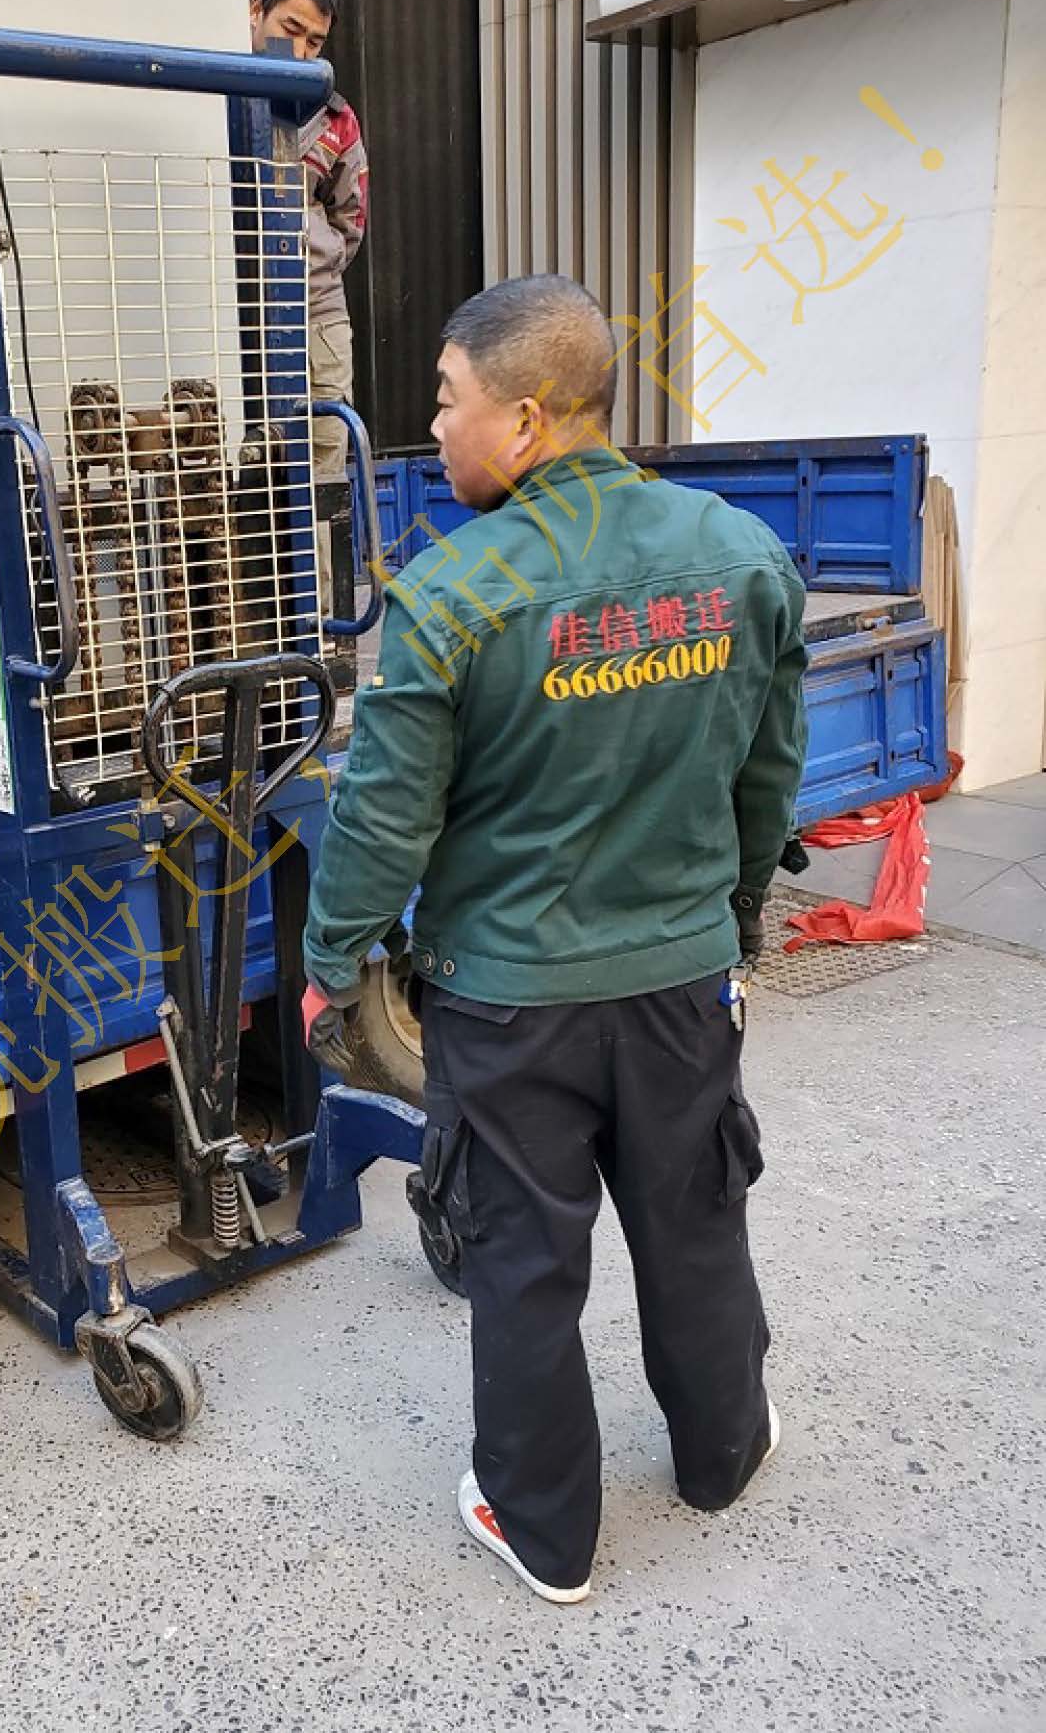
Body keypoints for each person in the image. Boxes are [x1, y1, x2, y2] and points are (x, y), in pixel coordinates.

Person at [301, 278, 807, 1604]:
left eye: (446, 400)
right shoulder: (739, 555)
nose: (432, 426)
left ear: (524, 419)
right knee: (694, 1219)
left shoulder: (447, 593)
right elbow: (765, 778)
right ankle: (722, 1452)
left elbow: (383, 820)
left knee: (525, 1260)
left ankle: (542, 1529)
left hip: (509, 1003)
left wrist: (333, 963)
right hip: (679, 983)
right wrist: (731, 921)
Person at [249, 0, 368, 611]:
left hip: (316, 312)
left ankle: (318, 626)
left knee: (323, 457)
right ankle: (258, 618)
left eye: (315, 42)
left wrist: (312, 263)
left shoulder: (336, 119)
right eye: (289, 30)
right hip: (236, 311)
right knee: (251, 460)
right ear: (256, 11)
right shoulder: (220, 91)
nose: (299, 52)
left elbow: (350, 219)